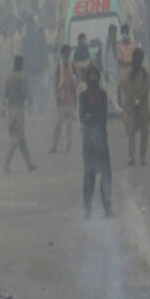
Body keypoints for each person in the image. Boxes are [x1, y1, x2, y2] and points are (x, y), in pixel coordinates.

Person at [79, 65, 112, 219]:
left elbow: (102, 116)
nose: (93, 80)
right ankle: (87, 209)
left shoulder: (103, 95)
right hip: (89, 143)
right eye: (90, 77)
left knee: (106, 177)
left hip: (101, 141)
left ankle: (107, 208)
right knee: (89, 177)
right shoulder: (83, 96)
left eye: (95, 76)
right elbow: (82, 117)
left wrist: (90, 116)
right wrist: (90, 117)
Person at [4, 56, 36, 173]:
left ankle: (29, 163)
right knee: (15, 140)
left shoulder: (8, 78)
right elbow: (25, 94)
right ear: (22, 65)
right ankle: (6, 165)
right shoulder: (22, 78)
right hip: (19, 111)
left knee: (21, 140)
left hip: (11, 110)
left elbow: (6, 94)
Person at [121, 48, 150, 166]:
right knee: (131, 133)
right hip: (132, 108)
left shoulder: (145, 73)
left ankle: (142, 157)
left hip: (143, 107)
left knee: (145, 133)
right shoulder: (129, 74)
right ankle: (131, 156)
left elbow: (147, 87)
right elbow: (127, 89)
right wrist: (134, 99)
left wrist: (140, 97)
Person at [50, 45, 76, 153]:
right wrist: (56, 96)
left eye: (68, 53)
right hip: (61, 98)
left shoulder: (72, 65)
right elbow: (55, 83)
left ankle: (68, 146)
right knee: (58, 124)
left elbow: (79, 77)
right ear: (62, 54)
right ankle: (54, 146)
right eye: (65, 53)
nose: (66, 55)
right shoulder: (58, 67)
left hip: (70, 98)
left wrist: (75, 84)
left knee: (69, 125)